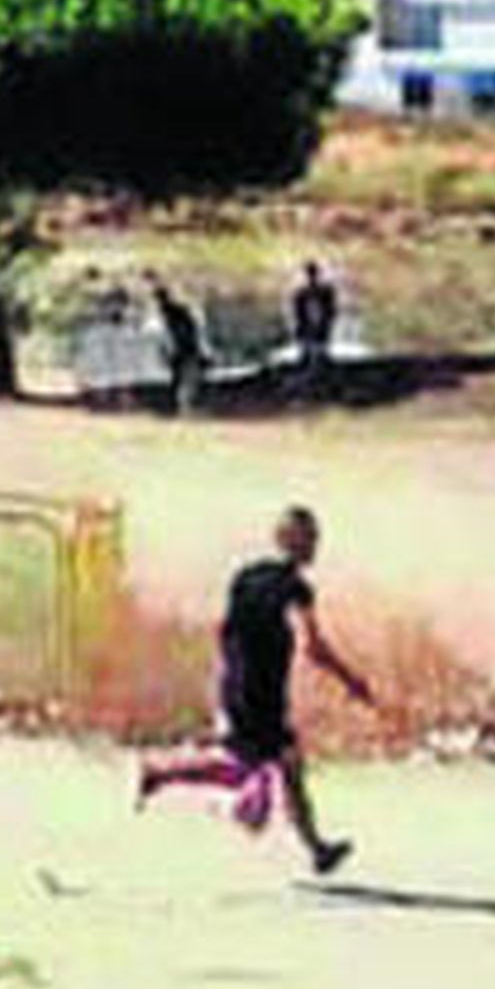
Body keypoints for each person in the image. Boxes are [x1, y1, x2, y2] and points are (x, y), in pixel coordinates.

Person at [137, 506, 374, 876]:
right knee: (242, 767)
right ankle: (161, 772)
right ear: (291, 542)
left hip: (241, 686)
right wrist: (351, 681)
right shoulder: (297, 588)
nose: (314, 546)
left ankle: (316, 849)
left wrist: (234, 678)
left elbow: (226, 633)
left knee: (288, 765)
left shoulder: (244, 577)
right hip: (260, 694)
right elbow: (315, 649)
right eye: (309, 538)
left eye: (314, 538)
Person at [149, 276, 205, 415]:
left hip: (183, 350)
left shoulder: (171, 313)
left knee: (182, 379)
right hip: (185, 350)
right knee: (186, 379)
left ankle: (183, 407)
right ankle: (184, 408)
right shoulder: (178, 312)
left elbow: (177, 332)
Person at [291, 260, 337, 380]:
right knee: (309, 352)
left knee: (319, 349)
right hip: (309, 328)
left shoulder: (325, 292)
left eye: (313, 273)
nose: (312, 277)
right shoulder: (301, 294)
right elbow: (298, 314)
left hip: (318, 328)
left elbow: (331, 311)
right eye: (311, 273)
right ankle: (311, 372)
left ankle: (318, 371)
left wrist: (325, 322)